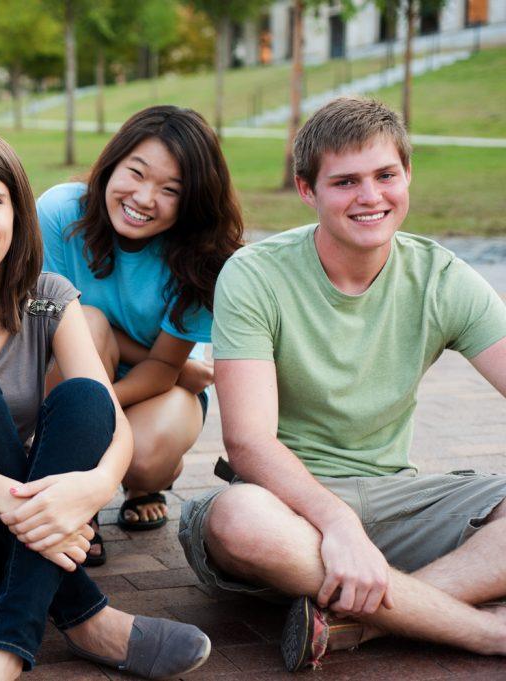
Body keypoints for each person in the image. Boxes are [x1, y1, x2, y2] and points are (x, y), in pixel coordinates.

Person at [0, 128, 211, 681]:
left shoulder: (51, 297)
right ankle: (86, 617)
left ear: (17, 213)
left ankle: (3, 654)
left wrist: (89, 493)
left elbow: (111, 424)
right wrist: (34, 510)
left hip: (16, 565)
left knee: (83, 397)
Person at [178, 97, 506, 671]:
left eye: (386, 175)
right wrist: (338, 523)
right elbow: (249, 444)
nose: (371, 197)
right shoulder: (256, 275)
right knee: (236, 520)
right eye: (346, 181)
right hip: (286, 510)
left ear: (407, 176)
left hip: (399, 501)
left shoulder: (442, 278)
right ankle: (478, 630)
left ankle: (355, 627)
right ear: (308, 191)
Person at [37, 105, 243, 563]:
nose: (145, 198)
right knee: (83, 323)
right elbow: (47, 319)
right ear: (113, 162)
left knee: (146, 457)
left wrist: (95, 406)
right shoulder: (60, 212)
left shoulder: (200, 257)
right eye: (137, 172)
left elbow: (162, 368)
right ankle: (75, 500)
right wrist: (177, 368)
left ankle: (146, 485)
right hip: (69, 362)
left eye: (170, 190)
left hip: (154, 385)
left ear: (192, 202)